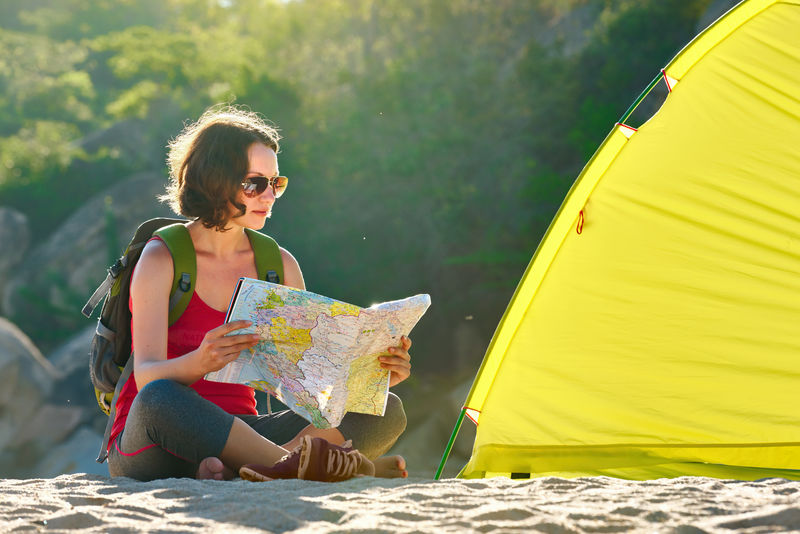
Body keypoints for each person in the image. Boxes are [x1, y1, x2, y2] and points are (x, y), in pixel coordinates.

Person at [107, 106, 411, 482]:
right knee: (160, 397)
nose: (269, 196)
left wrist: (371, 377)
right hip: (156, 435)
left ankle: (266, 464)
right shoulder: (161, 259)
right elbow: (147, 378)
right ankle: (302, 464)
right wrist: (201, 361)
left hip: (245, 432)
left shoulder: (278, 266)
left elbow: (309, 386)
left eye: (275, 183)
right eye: (255, 184)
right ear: (215, 180)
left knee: (386, 408)